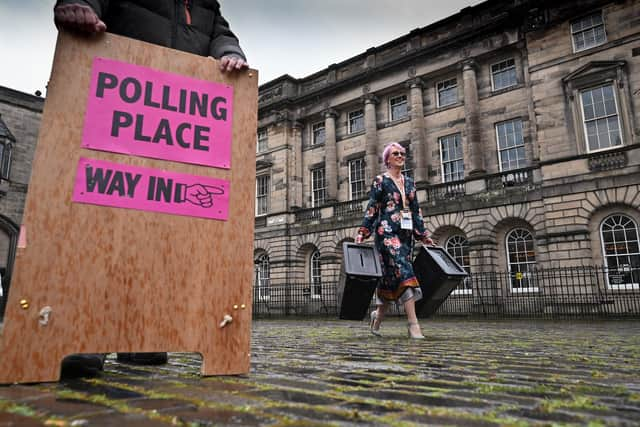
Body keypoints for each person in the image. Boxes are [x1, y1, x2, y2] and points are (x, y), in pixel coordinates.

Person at [53, 0, 248, 370]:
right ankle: (84, 336)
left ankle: (140, 335)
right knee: (104, 229)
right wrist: (78, 6)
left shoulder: (205, 3)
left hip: (175, 126)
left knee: (159, 238)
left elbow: (221, 36)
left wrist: (231, 54)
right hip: (115, 114)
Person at [355, 143, 434, 339]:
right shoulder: (380, 181)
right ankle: (413, 324)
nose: (400, 156)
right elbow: (373, 208)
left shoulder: (409, 183)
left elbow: (416, 211)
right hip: (386, 234)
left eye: (402, 153)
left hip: (405, 236)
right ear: (387, 159)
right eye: (396, 153)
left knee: (391, 279)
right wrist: (363, 231)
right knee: (404, 270)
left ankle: (378, 316)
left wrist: (423, 235)